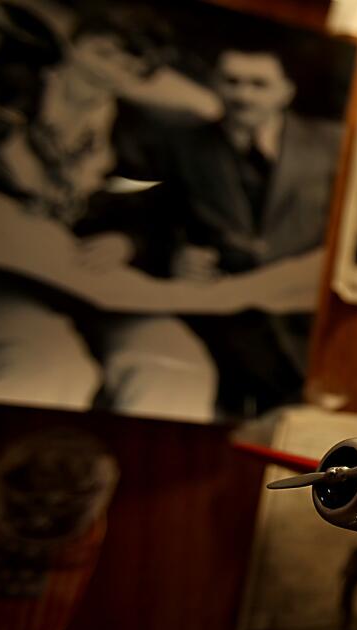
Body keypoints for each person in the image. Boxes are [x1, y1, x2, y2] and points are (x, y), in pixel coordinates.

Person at [0, 3, 218, 419]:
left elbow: (152, 215)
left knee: (176, 364)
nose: (109, 70)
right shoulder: (8, 86)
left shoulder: (136, 135)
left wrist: (125, 242)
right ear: (74, 44)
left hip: (91, 280)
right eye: (103, 52)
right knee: (49, 365)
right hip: (7, 277)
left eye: (129, 64)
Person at [128, 40, 342, 415]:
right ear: (215, 84)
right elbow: (148, 221)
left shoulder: (333, 144)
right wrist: (172, 256)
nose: (243, 95)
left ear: (285, 92)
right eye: (232, 81)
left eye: (258, 84)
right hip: (223, 325)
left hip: (311, 327)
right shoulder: (181, 147)